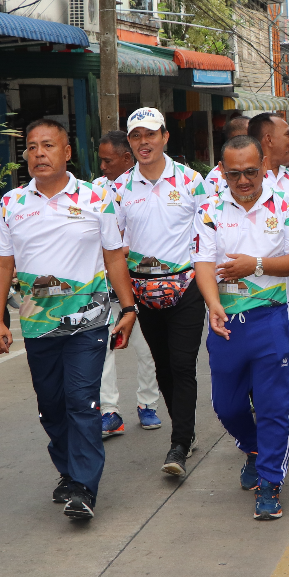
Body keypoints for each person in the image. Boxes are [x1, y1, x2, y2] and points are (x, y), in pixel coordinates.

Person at [0, 119, 138, 521]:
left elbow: (114, 256)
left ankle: (85, 487)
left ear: (66, 152)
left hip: (88, 321)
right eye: (32, 147)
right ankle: (69, 471)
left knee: (82, 400)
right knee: (51, 407)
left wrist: (128, 308)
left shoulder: (94, 197)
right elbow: (2, 264)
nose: (39, 153)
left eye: (48, 145)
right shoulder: (12, 203)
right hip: (37, 325)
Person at [195, 136, 289, 520]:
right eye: (234, 173)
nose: (243, 180)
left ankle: (270, 485)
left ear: (263, 166)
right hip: (226, 320)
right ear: (222, 172)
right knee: (226, 406)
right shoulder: (210, 208)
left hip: (271, 317)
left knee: (273, 405)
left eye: (250, 171)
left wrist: (256, 265)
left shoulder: (286, 204)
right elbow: (204, 264)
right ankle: (255, 448)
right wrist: (213, 304)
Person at [118, 107, 214, 477]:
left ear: (165, 138)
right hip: (143, 293)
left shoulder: (191, 182)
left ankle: (179, 444)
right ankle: (184, 430)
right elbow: (116, 243)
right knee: (163, 368)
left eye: (151, 134)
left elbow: (208, 233)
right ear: (130, 142)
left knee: (181, 364)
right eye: (136, 136)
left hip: (185, 286)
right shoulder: (120, 188)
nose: (144, 142)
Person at [93, 130, 162, 434]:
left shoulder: (147, 188)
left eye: (108, 161)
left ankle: (147, 404)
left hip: (140, 284)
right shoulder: (92, 191)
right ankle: (109, 412)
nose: (103, 167)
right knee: (103, 349)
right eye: (100, 161)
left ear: (125, 158)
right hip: (103, 285)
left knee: (147, 349)